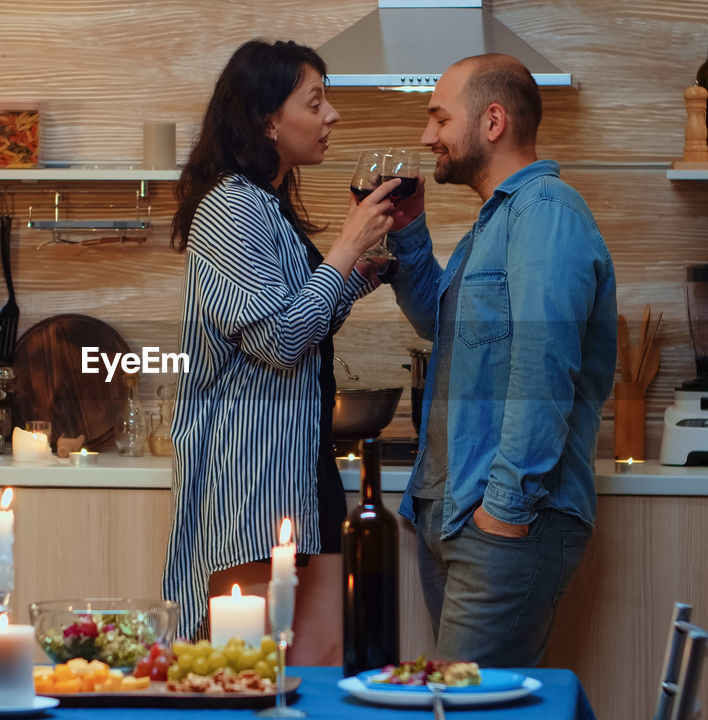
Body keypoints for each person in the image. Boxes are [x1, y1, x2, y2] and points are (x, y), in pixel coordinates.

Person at [161, 39, 400, 660]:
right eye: (315, 102)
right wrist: (346, 248)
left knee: (308, 662)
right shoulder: (231, 208)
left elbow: (304, 318)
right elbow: (283, 340)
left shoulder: (266, 203)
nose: (332, 116)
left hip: (297, 465)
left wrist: (365, 268)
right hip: (252, 478)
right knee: (251, 669)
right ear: (268, 118)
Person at [385, 53, 617, 667]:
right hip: (457, 515)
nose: (427, 135)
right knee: (463, 703)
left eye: (439, 117)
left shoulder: (546, 212)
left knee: (468, 712)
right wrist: (409, 231)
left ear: (492, 122)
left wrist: (505, 512)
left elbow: (545, 369)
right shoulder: (493, 223)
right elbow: (440, 321)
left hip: (505, 522)